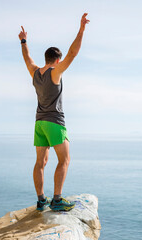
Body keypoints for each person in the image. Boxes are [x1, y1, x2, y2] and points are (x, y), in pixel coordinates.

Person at [18, 13, 90, 211]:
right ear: (57, 61)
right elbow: (73, 54)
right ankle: (57, 200)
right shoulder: (55, 72)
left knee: (40, 162)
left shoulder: (35, 72)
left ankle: (41, 200)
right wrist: (82, 28)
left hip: (39, 123)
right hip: (54, 123)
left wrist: (23, 41)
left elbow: (27, 58)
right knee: (64, 160)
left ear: (46, 58)